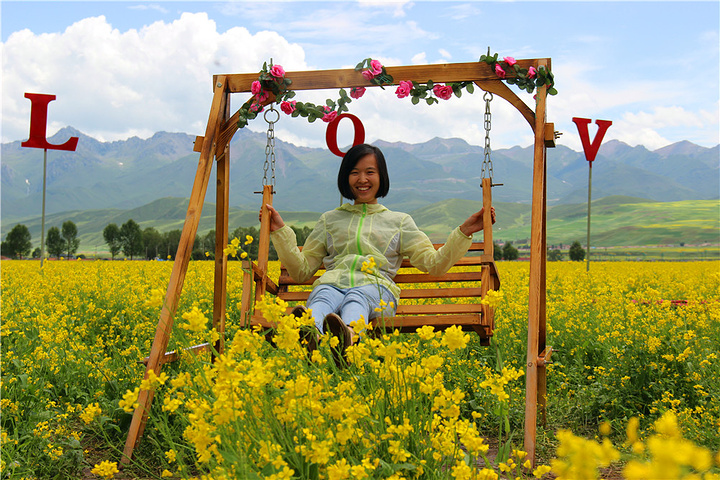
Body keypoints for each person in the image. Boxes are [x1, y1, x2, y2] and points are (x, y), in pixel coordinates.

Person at [263, 143, 495, 360]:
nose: (362, 179)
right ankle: (305, 333)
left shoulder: (399, 221)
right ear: (345, 177)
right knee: (323, 296)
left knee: (357, 297)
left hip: (376, 289)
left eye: (370, 172)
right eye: (354, 172)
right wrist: (279, 231)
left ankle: (350, 339)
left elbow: (434, 264)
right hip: (333, 284)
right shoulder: (330, 220)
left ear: (381, 177)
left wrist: (464, 231)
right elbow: (301, 271)